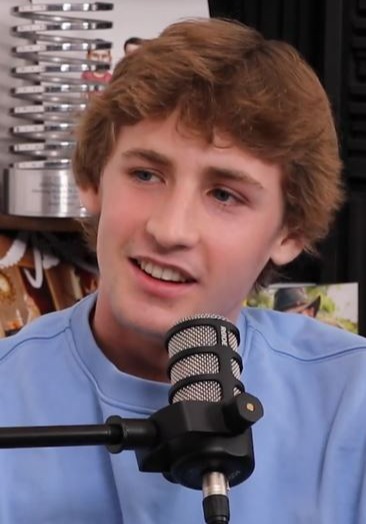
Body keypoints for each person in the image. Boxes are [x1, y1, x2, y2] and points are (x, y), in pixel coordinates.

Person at [0, 17, 365, 524]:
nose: (170, 229)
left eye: (224, 194)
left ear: (291, 233)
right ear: (91, 181)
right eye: (145, 174)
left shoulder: (353, 402)